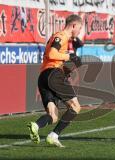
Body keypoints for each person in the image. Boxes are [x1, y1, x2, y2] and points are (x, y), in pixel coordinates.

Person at [27, 14, 83, 148]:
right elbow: (52, 54)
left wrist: (68, 66)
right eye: (79, 28)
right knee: (76, 107)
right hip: (54, 74)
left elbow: (51, 57)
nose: (79, 31)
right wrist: (69, 56)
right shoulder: (62, 36)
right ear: (73, 25)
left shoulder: (56, 36)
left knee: (53, 115)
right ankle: (53, 135)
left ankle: (36, 125)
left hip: (44, 77)